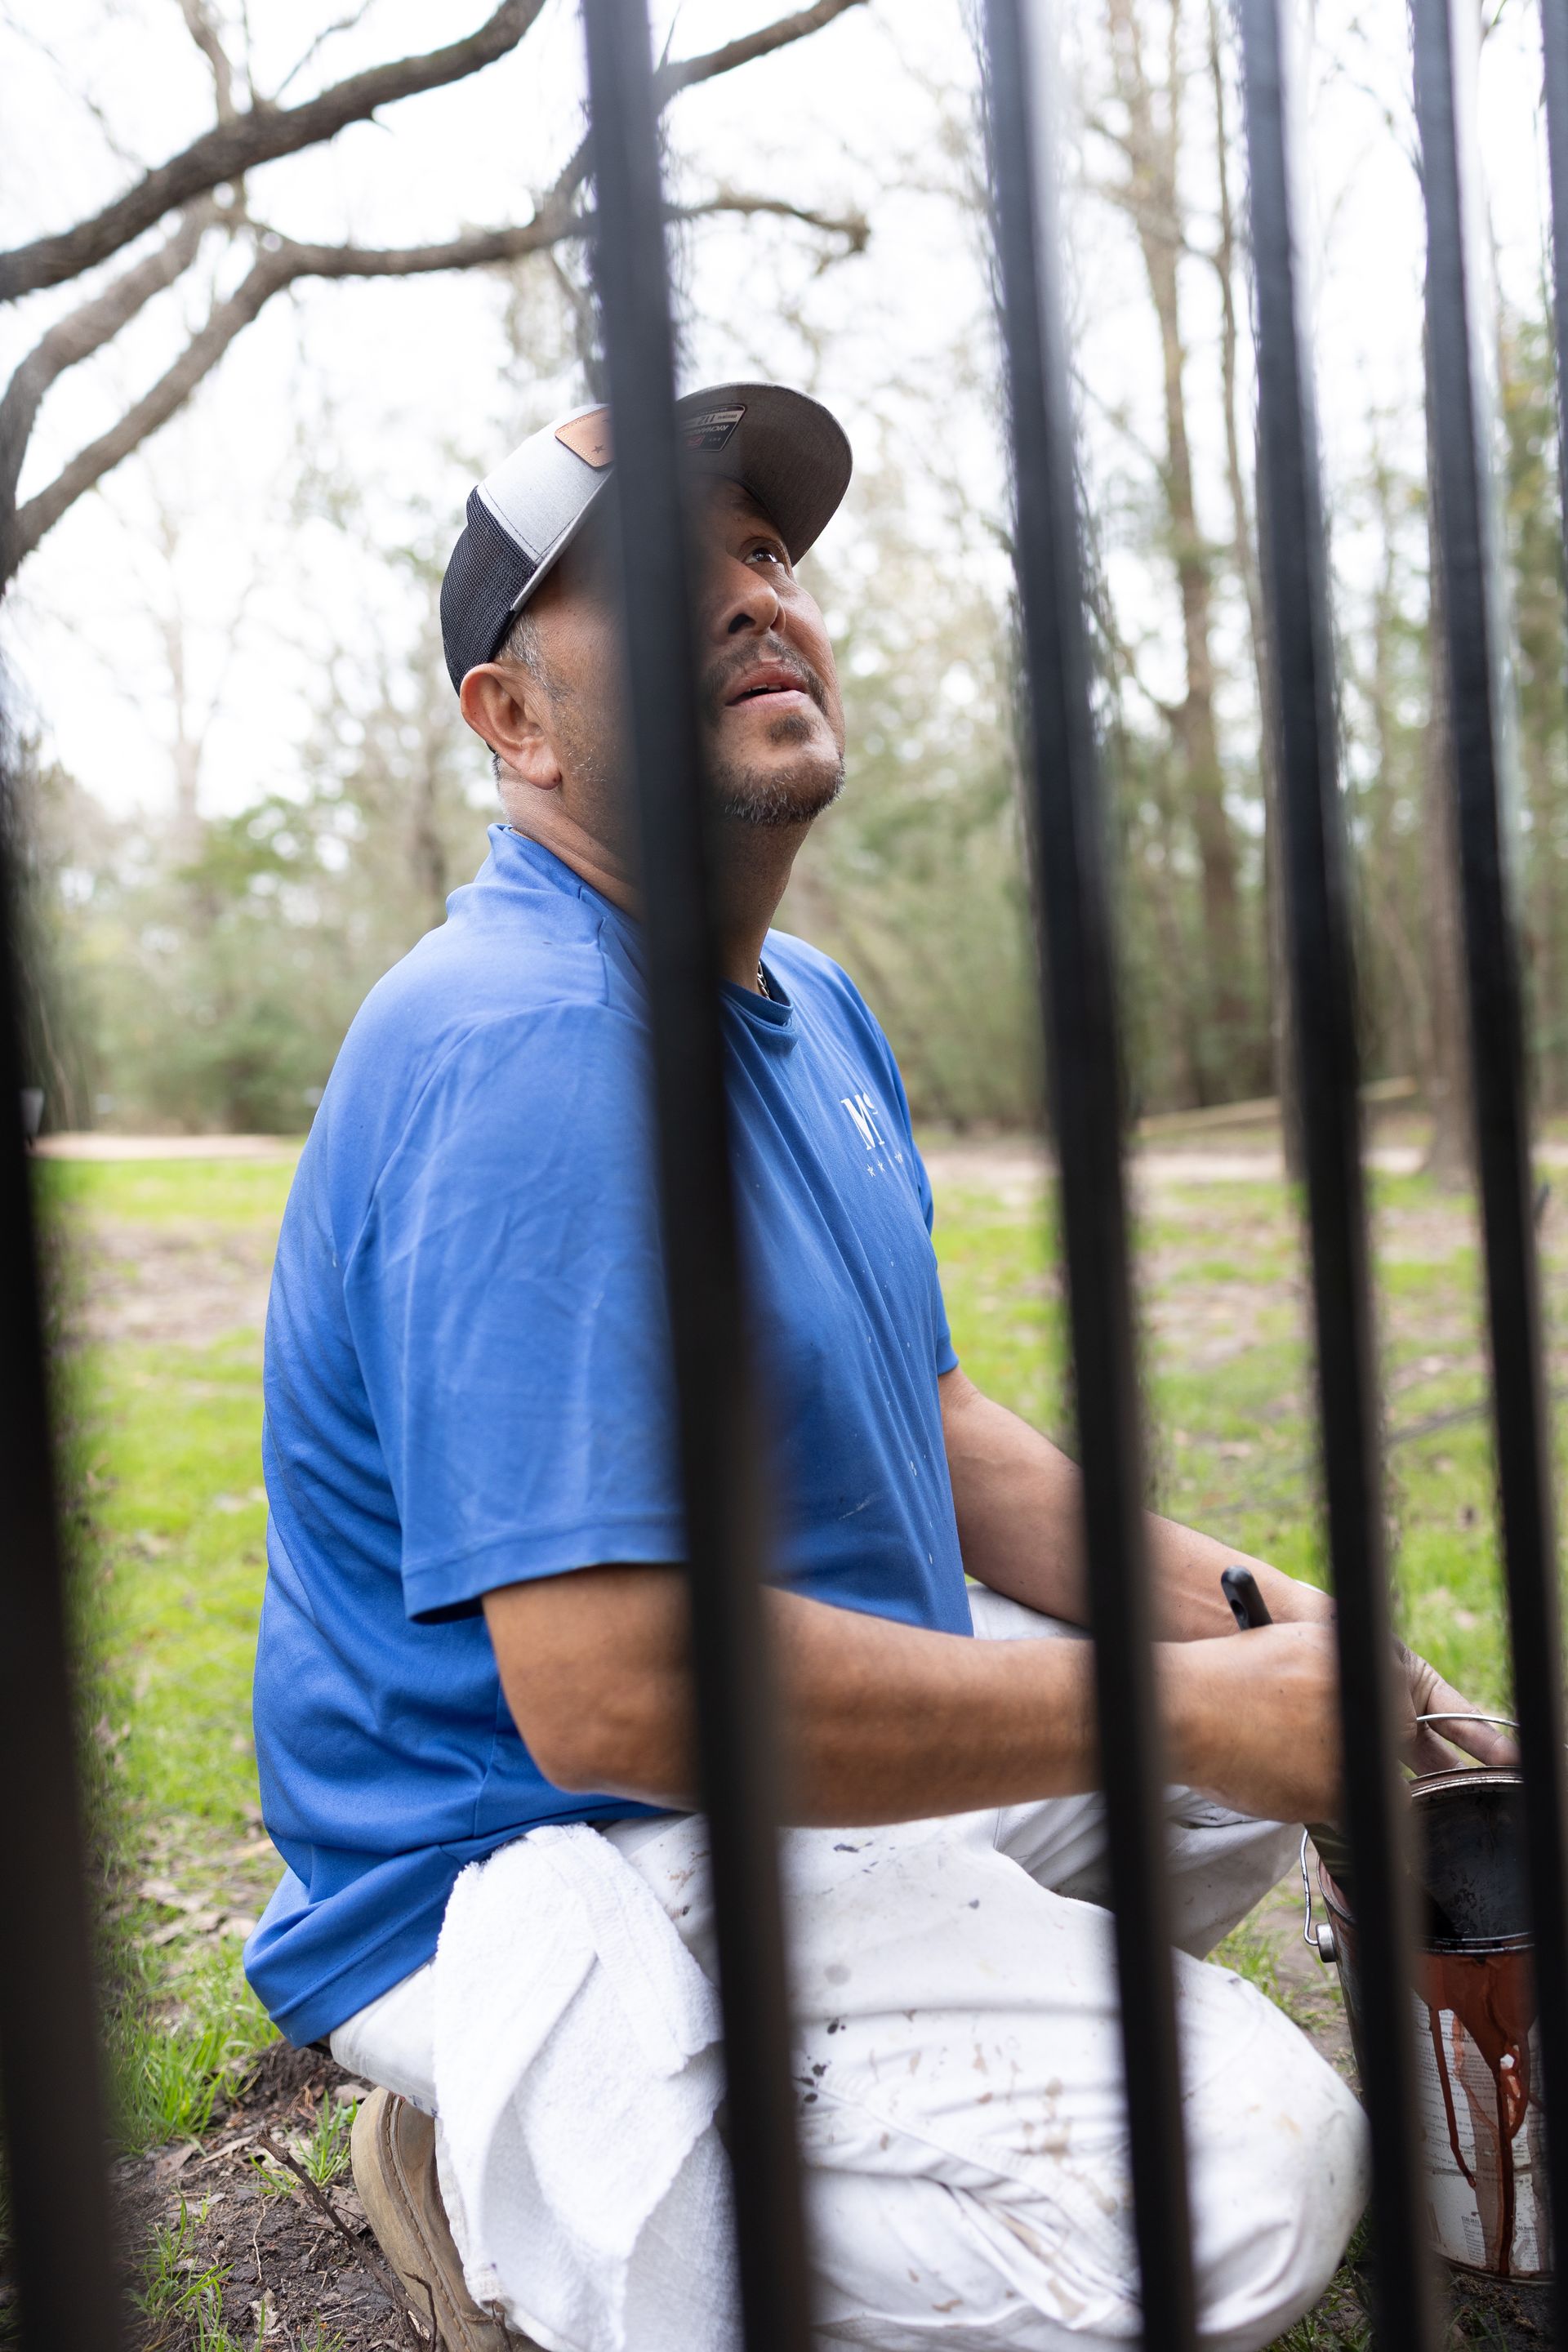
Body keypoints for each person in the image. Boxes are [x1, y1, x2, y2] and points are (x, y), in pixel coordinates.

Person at [246, 384, 1508, 2352]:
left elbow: (945, 1428)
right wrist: (1175, 1711)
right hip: (534, 1866)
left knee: (1256, 1765)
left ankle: (848, 2097)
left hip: (761, 1779)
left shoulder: (807, 1003)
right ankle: (532, 2172)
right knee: (1257, 2188)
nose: (756, 598)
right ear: (515, 721)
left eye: (761, 554)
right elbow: (605, 1693)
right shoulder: (518, 1051)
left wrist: (1326, 1657)